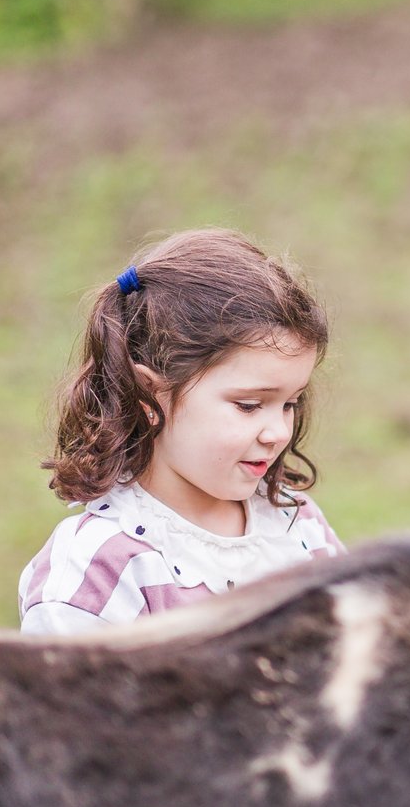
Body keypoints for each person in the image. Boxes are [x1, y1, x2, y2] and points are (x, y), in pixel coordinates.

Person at [18, 228, 343, 635]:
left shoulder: (298, 527)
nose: (277, 432)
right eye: (249, 405)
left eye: (290, 403)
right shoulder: (96, 571)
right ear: (150, 397)